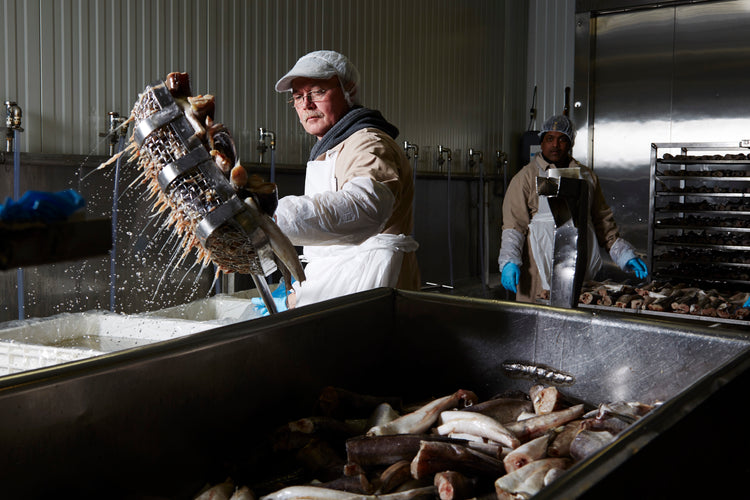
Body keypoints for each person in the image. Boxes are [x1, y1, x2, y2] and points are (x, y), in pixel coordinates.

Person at [264, 50, 419, 310]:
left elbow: (366, 207)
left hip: (372, 286)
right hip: (340, 286)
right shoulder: (335, 145)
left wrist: (272, 217)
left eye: (317, 92)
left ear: (350, 90)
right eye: (298, 97)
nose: (306, 105)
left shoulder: (368, 142)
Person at [497, 114, 648, 303]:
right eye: (549, 139)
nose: (555, 145)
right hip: (537, 268)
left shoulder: (586, 176)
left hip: (577, 266)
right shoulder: (525, 178)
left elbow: (602, 221)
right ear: (541, 142)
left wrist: (623, 254)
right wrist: (510, 261)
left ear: (570, 143)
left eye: (562, 139)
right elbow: (514, 225)